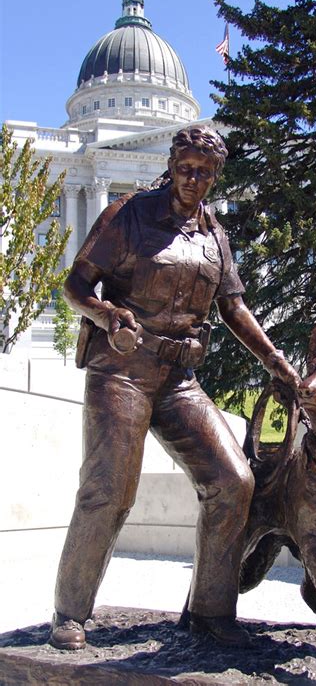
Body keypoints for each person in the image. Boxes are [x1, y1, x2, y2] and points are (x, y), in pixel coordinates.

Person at [50, 126, 300, 650]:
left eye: (204, 173)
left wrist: (276, 360)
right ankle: (70, 614)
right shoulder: (129, 214)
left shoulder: (214, 236)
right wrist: (104, 314)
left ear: (215, 176)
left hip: (178, 379)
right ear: (171, 163)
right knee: (109, 489)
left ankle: (210, 613)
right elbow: (75, 286)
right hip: (121, 370)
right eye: (186, 168)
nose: (193, 180)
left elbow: (232, 307)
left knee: (233, 480)